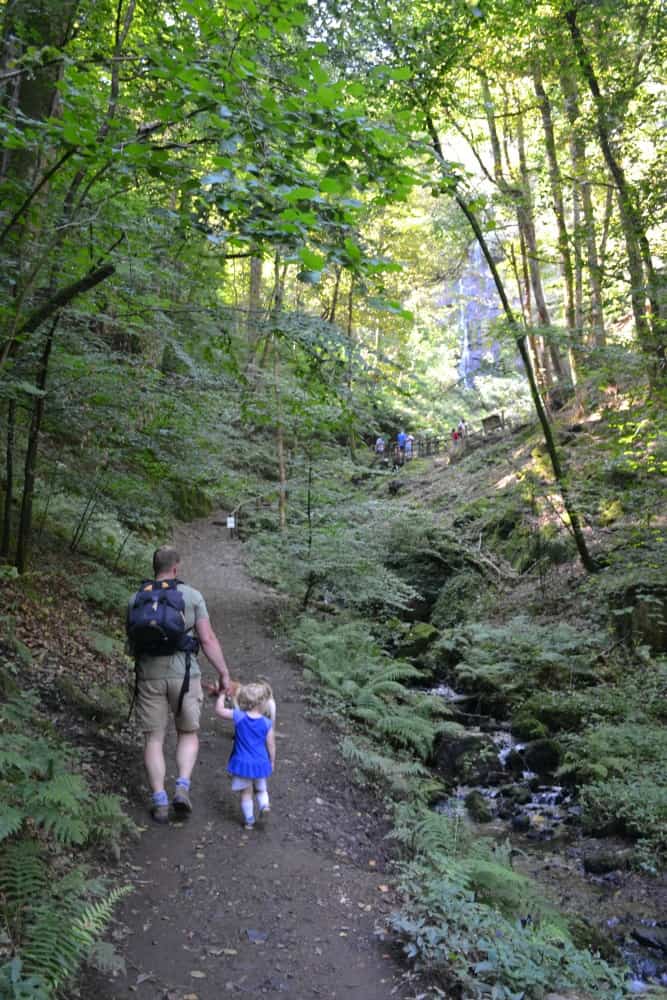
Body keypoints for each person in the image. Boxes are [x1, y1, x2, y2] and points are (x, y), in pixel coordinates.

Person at [127, 545, 232, 824]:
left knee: (154, 739)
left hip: (149, 674)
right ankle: (182, 787)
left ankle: (159, 799)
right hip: (185, 674)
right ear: (176, 568)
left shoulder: (136, 598)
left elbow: (132, 643)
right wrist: (223, 673)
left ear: (154, 567)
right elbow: (207, 639)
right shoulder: (192, 595)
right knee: (187, 732)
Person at [216, 681, 276, 830]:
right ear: (263, 704)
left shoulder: (239, 716)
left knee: (246, 793)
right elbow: (271, 744)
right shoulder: (267, 723)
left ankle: (249, 821)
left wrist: (222, 695)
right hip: (260, 762)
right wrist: (272, 760)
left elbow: (220, 711)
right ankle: (264, 805)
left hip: (242, 763)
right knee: (261, 789)